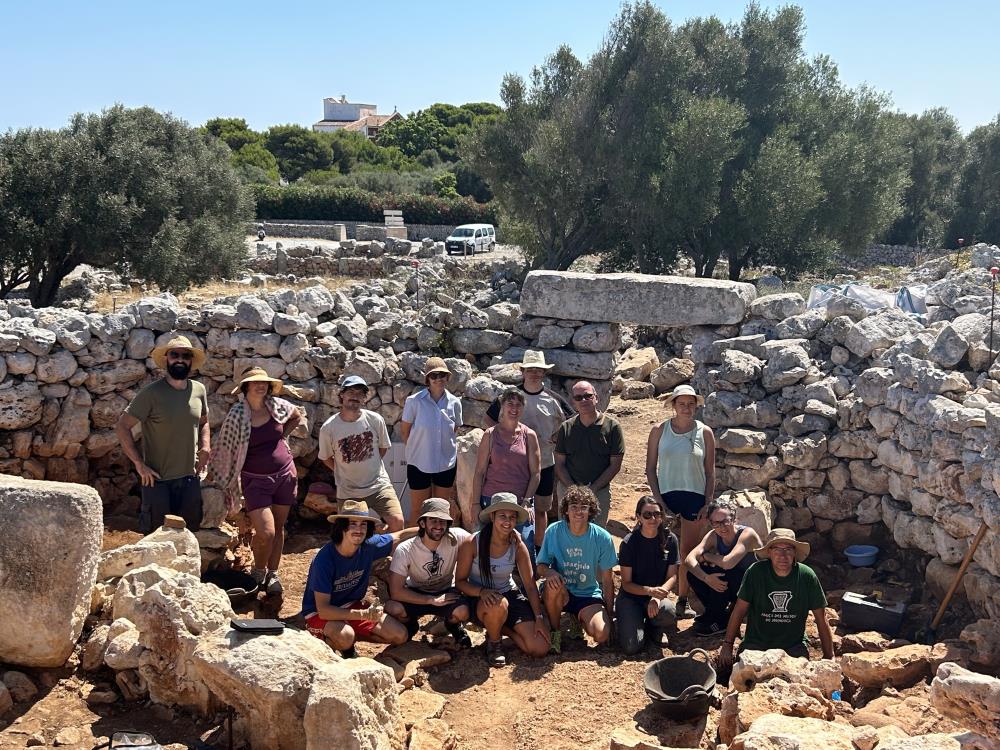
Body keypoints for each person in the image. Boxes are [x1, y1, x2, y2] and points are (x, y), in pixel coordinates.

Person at [206, 367, 305, 596]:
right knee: (266, 532)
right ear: (246, 387)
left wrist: (283, 437)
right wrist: (213, 472)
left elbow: (296, 416)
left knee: (278, 529)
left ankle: (273, 573)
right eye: (254, 382)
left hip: (284, 475)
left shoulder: (276, 406)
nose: (260, 386)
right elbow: (225, 445)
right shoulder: (238, 414)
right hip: (255, 481)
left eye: (264, 383)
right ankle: (259, 572)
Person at [116, 335, 210, 533]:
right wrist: (139, 464)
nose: (180, 359)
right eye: (175, 354)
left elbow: (204, 421)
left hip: (189, 477)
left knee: (189, 535)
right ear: (167, 358)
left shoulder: (199, 390)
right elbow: (122, 426)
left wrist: (206, 447)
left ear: (191, 361)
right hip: (157, 480)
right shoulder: (151, 393)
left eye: (185, 355)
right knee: (155, 537)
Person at [302, 500, 416, 657]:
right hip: (318, 614)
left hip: (351, 605)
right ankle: (344, 650)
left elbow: (400, 535)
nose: (359, 529)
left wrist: (430, 528)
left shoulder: (369, 547)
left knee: (400, 635)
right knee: (345, 636)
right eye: (352, 524)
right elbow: (324, 610)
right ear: (341, 527)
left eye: (363, 524)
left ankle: (351, 637)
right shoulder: (324, 559)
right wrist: (362, 615)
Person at [484, 350, 568, 549]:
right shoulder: (511, 396)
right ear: (522, 371)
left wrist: (556, 439)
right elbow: (488, 418)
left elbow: (570, 423)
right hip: (514, 468)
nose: (534, 373)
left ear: (544, 373)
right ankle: (507, 551)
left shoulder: (553, 398)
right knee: (511, 509)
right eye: (530, 369)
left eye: (538, 370)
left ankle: (538, 552)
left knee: (540, 509)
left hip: (545, 464)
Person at [645, 384, 716, 618]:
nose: (686, 408)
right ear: (673, 405)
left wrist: (708, 502)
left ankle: (683, 599)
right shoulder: (659, 430)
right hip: (666, 494)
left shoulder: (705, 432)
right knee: (658, 548)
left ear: (696, 406)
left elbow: (710, 471)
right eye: (681, 403)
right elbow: (650, 468)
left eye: (690, 404)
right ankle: (653, 596)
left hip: (694, 495)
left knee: (687, 552)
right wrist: (657, 500)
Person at [455, 493, 549, 667]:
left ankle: (503, 628)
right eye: (502, 516)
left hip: (508, 593)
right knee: (498, 605)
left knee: (540, 647)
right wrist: (481, 592)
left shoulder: (517, 545)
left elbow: (529, 585)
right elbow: (460, 581)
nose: (507, 522)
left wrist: (539, 618)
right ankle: (495, 642)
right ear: (492, 517)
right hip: (479, 597)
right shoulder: (472, 543)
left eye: (512, 517)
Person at [718, 528, 834, 668]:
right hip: (756, 644)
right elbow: (739, 610)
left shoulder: (806, 576)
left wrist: (829, 656)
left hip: (793, 646)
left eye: (788, 549)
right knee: (746, 679)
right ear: (769, 552)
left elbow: (821, 618)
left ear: (795, 552)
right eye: (777, 549)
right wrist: (727, 645)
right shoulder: (756, 572)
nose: (783, 555)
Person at [537, 485, 617, 654]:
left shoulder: (602, 537)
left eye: (583, 507)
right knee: (553, 584)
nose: (578, 512)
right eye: (573, 507)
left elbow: (608, 581)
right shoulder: (554, 531)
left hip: (587, 593)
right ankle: (555, 631)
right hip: (561, 590)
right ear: (566, 510)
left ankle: (577, 618)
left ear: (591, 510)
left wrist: (610, 616)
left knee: (602, 634)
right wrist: (550, 572)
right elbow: (541, 566)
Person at [319, 375, 405, 532]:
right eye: (351, 391)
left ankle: (392, 555)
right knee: (347, 532)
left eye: (360, 393)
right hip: (348, 490)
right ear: (341, 395)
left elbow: (383, 448)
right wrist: (342, 471)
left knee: (397, 521)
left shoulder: (375, 420)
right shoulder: (329, 428)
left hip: (378, 485)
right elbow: (325, 457)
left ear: (365, 398)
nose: (355, 396)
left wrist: (369, 465)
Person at [384, 498, 472, 646]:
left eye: (442, 521)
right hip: (417, 591)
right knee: (393, 608)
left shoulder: (457, 537)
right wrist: (430, 600)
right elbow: (396, 592)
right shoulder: (406, 549)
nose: (438, 526)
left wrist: (510, 535)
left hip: (446, 591)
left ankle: (453, 625)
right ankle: (410, 624)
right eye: (433, 520)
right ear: (423, 523)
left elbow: (481, 541)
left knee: (463, 611)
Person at [472, 387, 541, 554]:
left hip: (519, 500)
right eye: (510, 404)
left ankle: (524, 580)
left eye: (518, 405)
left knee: (524, 545)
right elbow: (480, 472)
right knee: (487, 545)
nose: (514, 408)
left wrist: (527, 501)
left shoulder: (529, 435)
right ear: (502, 406)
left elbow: (536, 473)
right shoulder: (490, 434)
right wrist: (475, 503)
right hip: (491, 499)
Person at [685, 498, 762, 637]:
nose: (722, 527)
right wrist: (706, 578)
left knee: (723, 572)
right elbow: (689, 560)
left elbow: (728, 563)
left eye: (726, 521)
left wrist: (707, 556)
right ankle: (719, 617)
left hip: (753, 588)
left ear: (733, 518)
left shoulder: (746, 534)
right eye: (716, 523)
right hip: (733, 584)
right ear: (711, 523)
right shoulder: (713, 536)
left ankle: (715, 619)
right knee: (694, 574)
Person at [554, 381, 625, 529]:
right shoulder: (566, 428)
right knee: (567, 531)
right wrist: (573, 489)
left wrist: (594, 488)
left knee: (596, 533)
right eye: (578, 398)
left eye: (587, 396)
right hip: (569, 490)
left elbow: (615, 465)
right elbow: (559, 463)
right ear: (573, 402)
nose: (584, 400)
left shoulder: (612, 427)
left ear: (596, 397)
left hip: (599, 491)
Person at [615, 496, 679, 655]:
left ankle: (653, 627)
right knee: (632, 647)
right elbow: (626, 584)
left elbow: (672, 576)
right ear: (638, 517)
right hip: (631, 598)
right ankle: (629, 622)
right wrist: (650, 591)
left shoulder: (670, 539)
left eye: (657, 514)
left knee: (669, 612)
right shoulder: (629, 543)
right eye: (647, 515)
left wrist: (657, 597)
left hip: (655, 598)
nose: (653, 518)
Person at [399, 357, 462, 522]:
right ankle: (413, 546)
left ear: (447, 377)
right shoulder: (414, 402)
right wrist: (417, 450)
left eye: (442, 375)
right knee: (418, 511)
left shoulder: (455, 403)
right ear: (427, 379)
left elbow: (453, 430)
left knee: (441, 510)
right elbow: (405, 431)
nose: (438, 379)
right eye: (434, 376)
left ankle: (439, 545)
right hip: (419, 463)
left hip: (445, 464)